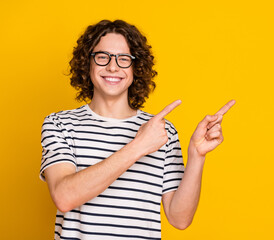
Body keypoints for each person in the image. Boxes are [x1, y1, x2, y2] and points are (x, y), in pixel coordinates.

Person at [40, 19, 235, 240]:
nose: (113, 67)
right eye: (103, 57)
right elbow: (64, 197)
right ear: (88, 63)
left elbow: (180, 219)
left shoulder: (162, 131)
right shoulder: (59, 124)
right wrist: (139, 146)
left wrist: (197, 155)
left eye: (124, 59)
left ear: (135, 68)